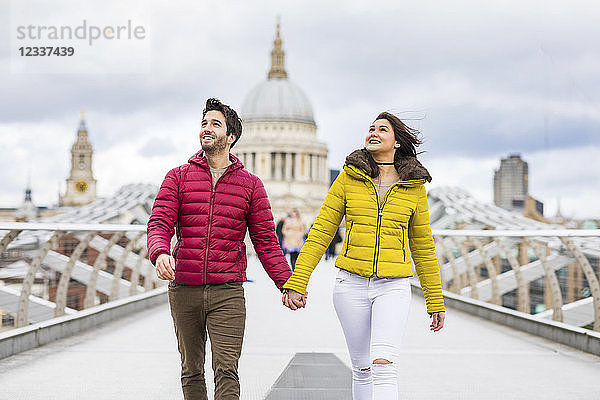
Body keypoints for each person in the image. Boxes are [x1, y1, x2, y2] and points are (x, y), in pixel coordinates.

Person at [282, 112, 445, 400]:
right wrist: (298, 281)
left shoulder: (415, 187)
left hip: (392, 285)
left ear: (397, 142)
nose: (374, 132)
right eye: (371, 128)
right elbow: (320, 232)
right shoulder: (347, 179)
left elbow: (422, 245)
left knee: (384, 366)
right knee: (362, 369)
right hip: (351, 285)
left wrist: (435, 300)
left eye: (383, 129)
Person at [147, 98, 294, 400]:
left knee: (227, 369)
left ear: (231, 137)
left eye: (215, 124)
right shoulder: (178, 176)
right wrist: (160, 251)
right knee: (191, 369)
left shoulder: (251, 185)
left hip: (227, 291)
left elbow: (266, 242)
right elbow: (159, 220)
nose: (207, 129)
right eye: (204, 123)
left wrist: (289, 284)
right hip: (183, 287)